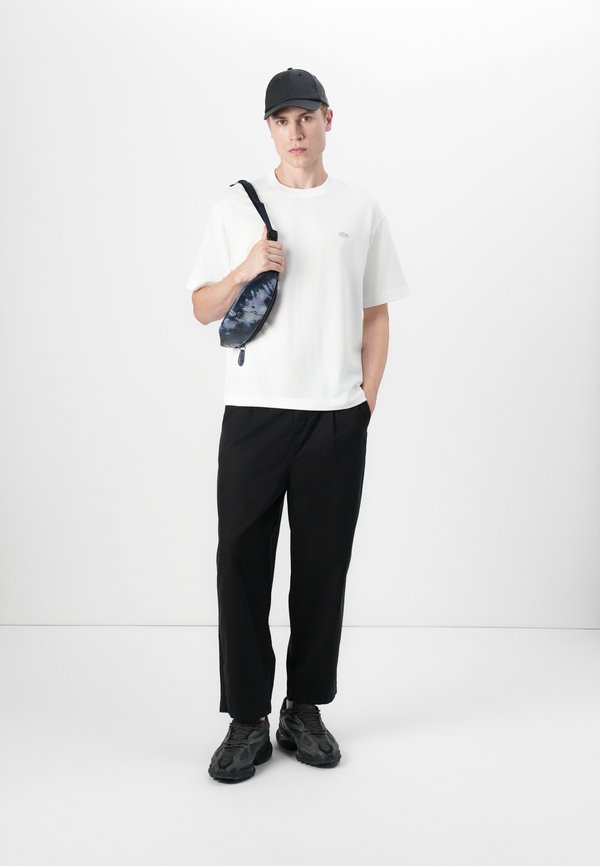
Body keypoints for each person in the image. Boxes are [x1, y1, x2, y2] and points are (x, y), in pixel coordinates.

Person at [185, 68, 411, 783]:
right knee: (240, 564)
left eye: (306, 117)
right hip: (254, 412)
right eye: (282, 120)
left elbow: (377, 313)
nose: (295, 131)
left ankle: (304, 709)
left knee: (322, 568)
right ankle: (246, 720)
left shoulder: (360, 209)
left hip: (335, 418)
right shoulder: (236, 205)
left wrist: (365, 400)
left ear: (327, 119)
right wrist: (246, 266)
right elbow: (201, 307)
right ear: (270, 129)